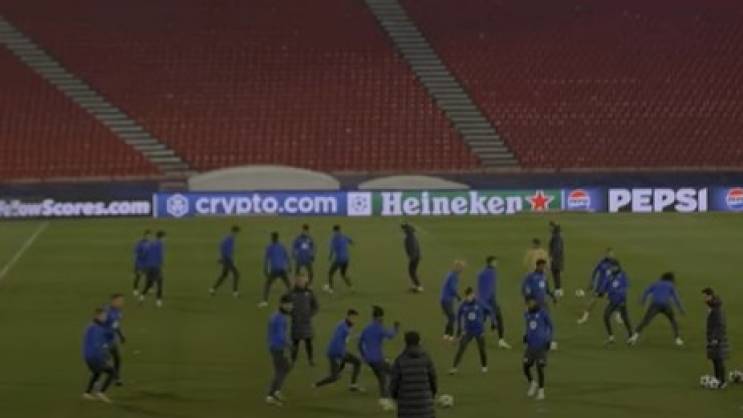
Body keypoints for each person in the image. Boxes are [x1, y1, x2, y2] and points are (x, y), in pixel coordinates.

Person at [359, 306, 400, 412]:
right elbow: (390, 335)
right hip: (377, 359)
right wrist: (395, 328)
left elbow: (359, 343)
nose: (382, 319)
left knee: (386, 374)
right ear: (378, 317)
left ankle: (388, 395)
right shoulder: (379, 328)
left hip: (370, 359)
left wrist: (364, 356)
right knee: (386, 376)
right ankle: (385, 400)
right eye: (381, 317)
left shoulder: (367, 328)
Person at [628, 272, 685, 346]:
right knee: (673, 321)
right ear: (670, 279)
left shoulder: (655, 283)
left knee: (645, 321)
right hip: (665, 305)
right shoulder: (670, 285)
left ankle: (634, 337)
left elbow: (646, 291)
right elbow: (676, 298)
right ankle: (677, 339)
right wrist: (680, 308)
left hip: (655, 305)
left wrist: (643, 300)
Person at [313, 309, 364, 391]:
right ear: (348, 316)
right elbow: (340, 341)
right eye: (353, 318)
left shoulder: (342, 323)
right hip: (336, 353)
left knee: (357, 362)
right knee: (335, 377)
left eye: (355, 318)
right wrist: (342, 357)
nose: (355, 320)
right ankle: (316, 385)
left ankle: (353, 385)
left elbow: (342, 340)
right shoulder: (345, 328)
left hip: (336, 351)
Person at [391, 331, 437, 418]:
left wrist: (395, 396)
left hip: (406, 407)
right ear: (419, 341)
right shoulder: (426, 358)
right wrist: (432, 394)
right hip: (425, 406)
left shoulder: (400, 360)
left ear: (405, 342)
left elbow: (394, 383)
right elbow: (433, 379)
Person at [450, 287, 489, 374]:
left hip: (479, 331)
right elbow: (458, 316)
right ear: (466, 296)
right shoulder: (463, 305)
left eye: (471, 295)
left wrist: (488, 320)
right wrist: (459, 330)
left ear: (473, 294)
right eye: (468, 296)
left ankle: (484, 366)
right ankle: (454, 367)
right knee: (461, 348)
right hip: (468, 331)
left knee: (482, 349)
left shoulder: (479, 303)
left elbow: (488, 310)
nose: (470, 297)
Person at [521, 259, 557, 350]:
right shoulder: (530, 276)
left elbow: (546, 289)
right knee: (533, 322)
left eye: (544, 266)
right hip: (534, 304)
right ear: (537, 266)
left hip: (543, 303)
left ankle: (547, 341)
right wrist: (529, 300)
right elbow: (525, 288)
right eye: (541, 266)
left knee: (547, 322)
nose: (543, 268)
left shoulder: (544, 276)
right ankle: (530, 338)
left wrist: (552, 296)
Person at [82, 308, 116, 403]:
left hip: (87, 356)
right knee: (112, 372)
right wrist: (105, 356)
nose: (105, 318)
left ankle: (87, 393)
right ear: (97, 316)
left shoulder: (90, 327)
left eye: (105, 316)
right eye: (103, 316)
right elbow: (98, 345)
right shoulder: (99, 329)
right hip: (95, 356)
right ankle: (101, 393)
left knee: (97, 373)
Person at [476, 256, 511, 349]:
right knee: (497, 319)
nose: (496, 263)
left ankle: (474, 335)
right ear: (490, 262)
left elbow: (482, 288)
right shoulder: (489, 273)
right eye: (495, 262)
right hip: (488, 301)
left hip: (483, 300)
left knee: (481, 321)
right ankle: (501, 340)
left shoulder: (482, 272)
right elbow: (489, 289)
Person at [523, 297, 553, 401]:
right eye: (528, 303)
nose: (530, 304)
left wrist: (549, 339)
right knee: (525, 366)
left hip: (541, 345)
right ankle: (533, 383)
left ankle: (541, 391)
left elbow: (551, 326)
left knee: (539, 368)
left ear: (535, 302)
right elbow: (528, 326)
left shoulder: (543, 313)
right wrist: (526, 335)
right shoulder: (527, 314)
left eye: (532, 302)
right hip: (530, 346)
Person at [266, 294, 294, 406]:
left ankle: (276, 391)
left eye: (291, 304)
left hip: (274, 346)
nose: (291, 306)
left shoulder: (276, 316)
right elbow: (281, 336)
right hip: (277, 348)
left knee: (286, 368)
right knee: (280, 371)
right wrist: (289, 345)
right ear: (282, 304)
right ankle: (270, 396)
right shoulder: (280, 319)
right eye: (288, 304)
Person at [577, 248, 617, 324]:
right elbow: (595, 271)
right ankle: (585, 317)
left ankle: (618, 316)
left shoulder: (615, 263)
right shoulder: (602, 262)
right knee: (593, 301)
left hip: (610, 286)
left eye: (612, 254)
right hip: (601, 286)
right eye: (609, 254)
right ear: (606, 255)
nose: (611, 256)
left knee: (615, 300)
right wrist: (591, 282)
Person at [286, 275, 319, 366]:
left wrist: (310, 314)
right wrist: (291, 313)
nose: (301, 283)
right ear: (296, 283)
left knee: (308, 343)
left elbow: (316, 306)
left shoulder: (309, 293)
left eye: (302, 282)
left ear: (305, 283)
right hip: (296, 322)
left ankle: (311, 359)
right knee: (295, 343)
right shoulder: (291, 293)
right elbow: (285, 304)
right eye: (299, 282)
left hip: (306, 322)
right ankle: (292, 360)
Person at [703, 288, 729, 388]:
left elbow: (719, 325)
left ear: (710, 296)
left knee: (718, 359)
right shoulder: (712, 307)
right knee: (715, 359)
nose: (704, 299)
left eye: (706, 296)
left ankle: (722, 381)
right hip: (713, 338)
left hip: (717, 338)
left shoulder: (716, 309)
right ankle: (717, 379)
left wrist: (715, 338)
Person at [602, 263, 633, 345]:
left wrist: (622, 300)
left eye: (614, 267)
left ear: (618, 268)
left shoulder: (623, 276)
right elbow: (605, 285)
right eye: (612, 267)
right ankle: (611, 337)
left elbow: (625, 288)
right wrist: (603, 291)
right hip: (612, 301)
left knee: (625, 318)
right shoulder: (610, 275)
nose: (612, 269)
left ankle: (631, 336)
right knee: (606, 316)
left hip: (620, 301)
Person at [259, 232, 291, 308]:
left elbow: (266, 260)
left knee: (267, 285)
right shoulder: (282, 246)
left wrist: (265, 269)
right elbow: (286, 257)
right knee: (288, 285)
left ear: (272, 238)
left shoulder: (269, 247)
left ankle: (265, 302)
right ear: (277, 238)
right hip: (282, 269)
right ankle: (292, 301)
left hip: (274, 270)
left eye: (271, 237)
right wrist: (289, 266)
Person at [210, 226, 240, 298]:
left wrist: (221, 257)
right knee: (236, 274)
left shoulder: (229, 238)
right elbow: (224, 249)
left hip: (226, 259)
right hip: (227, 259)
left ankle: (213, 289)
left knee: (224, 275)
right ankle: (235, 292)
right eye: (236, 232)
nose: (237, 234)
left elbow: (221, 246)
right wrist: (224, 258)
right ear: (234, 231)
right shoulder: (229, 239)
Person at [103, 294, 126, 386]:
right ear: (113, 301)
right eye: (119, 301)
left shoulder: (118, 312)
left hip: (112, 340)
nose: (121, 303)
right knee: (105, 362)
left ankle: (116, 377)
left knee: (117, 359)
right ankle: (98, 383)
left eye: (122, 301)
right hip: (104, 340)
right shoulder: (106, 311)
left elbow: (116, 325)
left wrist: (121, 335)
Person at [324, 225, 354, 294]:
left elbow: (331, 249)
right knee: (343, 274)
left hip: (338, 260)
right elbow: (351, 241)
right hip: (346, 259)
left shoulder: (333, 239)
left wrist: (330, 257)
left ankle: (331, 289)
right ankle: (351, 287)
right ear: (340, 230)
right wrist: (351, 243)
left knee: (330, 273)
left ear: (334, 231)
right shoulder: (344, 236)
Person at [139, 230, 166, 308]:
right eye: (164, 237)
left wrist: (143, 266)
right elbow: (160, 256)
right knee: (160, 283)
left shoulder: (150, 243)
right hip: (155, 267)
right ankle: (159, 301)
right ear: (162, 237)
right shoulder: (160, 244)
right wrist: (161, 263)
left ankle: (142, 297)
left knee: (149, 284)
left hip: (148, 267)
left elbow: (144, 254)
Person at [440, 260, 464, 341]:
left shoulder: (450, 274)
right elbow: (452, 288)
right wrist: (458, 297)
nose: (462, 270)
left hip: (445, 299)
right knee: (452, 317)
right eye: (461, 268)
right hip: (447, 299)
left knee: (451, 317)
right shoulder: (454, 276)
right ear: (457, 267)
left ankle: (446, 334)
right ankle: (449, 335)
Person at [401, 222, 423, 293]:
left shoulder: (409, 238)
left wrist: (412, 257)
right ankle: (415, 286)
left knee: (412, 272)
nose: (403, 230)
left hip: (414, 257)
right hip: (416, 256)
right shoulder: (411, 236)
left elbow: (412, 247)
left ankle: (419, 286)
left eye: (404, 229)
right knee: (412, 271)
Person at [548, 222, 564, 297]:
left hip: (556, 258)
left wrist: (552, 257)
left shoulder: (556, 237)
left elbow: (557, 248)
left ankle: (558, 290)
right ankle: (557, 289)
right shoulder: (556, 236)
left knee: (556, 273)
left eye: (551, 227)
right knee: (555, 273)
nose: (550, 229)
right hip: (557, 258)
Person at [132, 230, 151, 296]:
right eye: (146, 236)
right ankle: (135, 289)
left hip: (147, 263)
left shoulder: (149, 243)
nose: (148, 237)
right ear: (144, 236)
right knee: (138, 276)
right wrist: (136, 263)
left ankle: (148, 288)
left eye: (149, 236)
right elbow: (135, 252)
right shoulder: (140, 243)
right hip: (139, 263)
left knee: (148, 276)